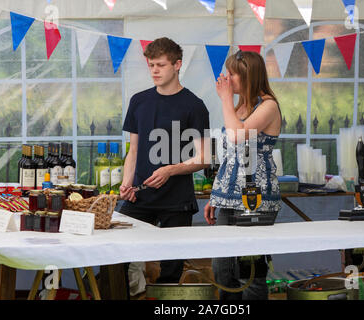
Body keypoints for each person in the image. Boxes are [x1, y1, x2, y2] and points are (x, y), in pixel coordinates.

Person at [120, 37, 210, 284]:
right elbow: (134, 151)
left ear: (177, 64)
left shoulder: (195, 106)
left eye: (160, 65)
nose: (155, 71)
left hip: (176, 201)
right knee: (117, 259)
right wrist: (127, 183)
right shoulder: (138, 101)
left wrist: (170, 170)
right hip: (140, 196)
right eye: (151, 65)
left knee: (170, 271)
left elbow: (205, 158)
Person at [204, 50, 282, 300]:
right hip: (227, 196)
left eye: (233, 74)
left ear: (249, 76)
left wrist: (225, 100)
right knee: (222, 269)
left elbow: (239, 137)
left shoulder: (268, 106)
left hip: (256, 196)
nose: (227, 79)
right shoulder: (239, 106)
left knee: (250, 270)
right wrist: (216, 196)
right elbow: (229, 156)